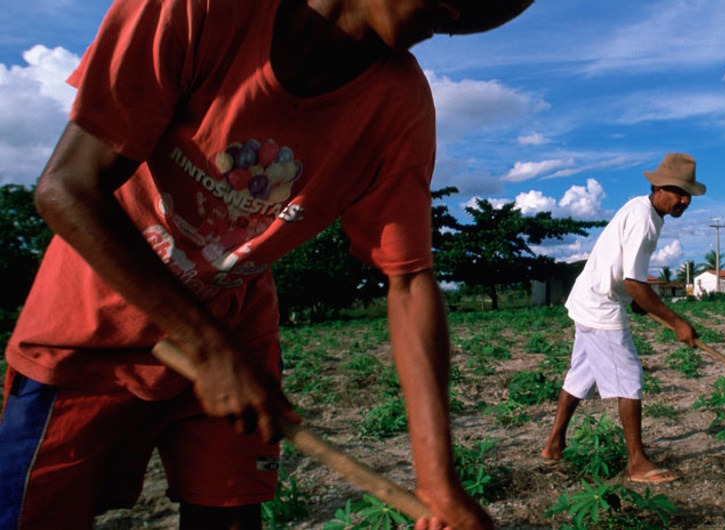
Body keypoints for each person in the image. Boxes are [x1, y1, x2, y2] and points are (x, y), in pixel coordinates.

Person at [0, 0, 533, 529]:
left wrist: (437, 479)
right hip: (93, 330)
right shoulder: (198, 10)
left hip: (238, 335)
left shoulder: (398, 103)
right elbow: (66, 188)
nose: (461, 16)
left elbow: (409, 279)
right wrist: (209, 351)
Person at [540, 152, 705, 485]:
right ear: (658, 187)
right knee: (630, 379)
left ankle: (553, 445)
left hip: (592, 298)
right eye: (677, 191)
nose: (684, 199)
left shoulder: (642, 210)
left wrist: (636, 299)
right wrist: (677, 322)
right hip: (600, 305)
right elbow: (633, 281)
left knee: (580, 376)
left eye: (687, 194)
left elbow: (626, 276)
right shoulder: (644, 219)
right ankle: (637, 463)